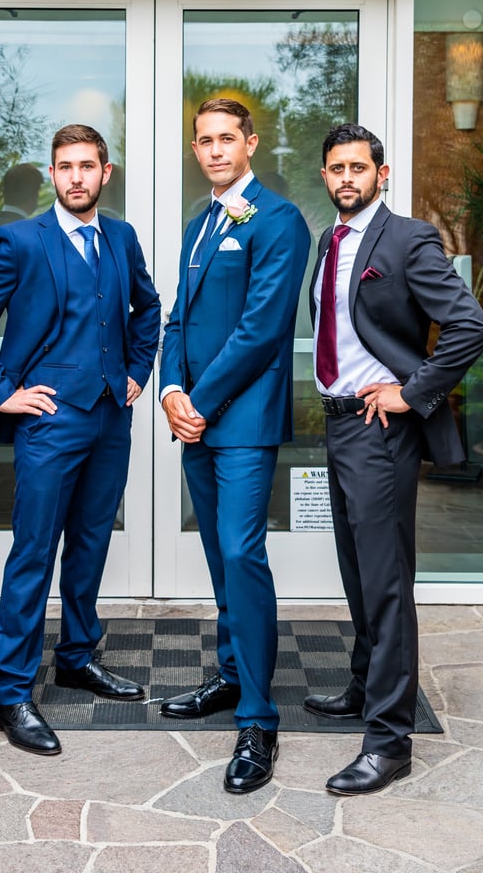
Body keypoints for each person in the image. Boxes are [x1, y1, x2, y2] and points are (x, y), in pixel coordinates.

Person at [305, 122, 483, 795]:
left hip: (381, 430)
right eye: (337, 168)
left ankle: (389, 741)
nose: (347, 178)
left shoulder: (407, 238)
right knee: (358, 574)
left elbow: (470, 326)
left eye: (358, 167)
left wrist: (411, 393)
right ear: (325, 177)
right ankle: (364, 688)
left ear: (381, 175)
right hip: (340, 426)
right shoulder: (328, 241)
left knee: (386, 584)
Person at [0, 123, 160, 756]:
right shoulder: (22, 240)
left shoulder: (121, 236)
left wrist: (137, 372)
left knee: (90, 543)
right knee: (34, 550)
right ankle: (12, 692)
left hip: (110, 417)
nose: (76, 177)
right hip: (49, 420)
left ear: (106, 173)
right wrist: (3, 392)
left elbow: (147, 308)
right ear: (52, 174)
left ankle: (77, 657)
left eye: (87, 166)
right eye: (65, 166)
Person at [159, 98, 310, 795]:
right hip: (194, 417)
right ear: (196, 149)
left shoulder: (278, 219)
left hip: (242, 420)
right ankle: (231, 676)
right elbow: (177, 320)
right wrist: (170, 390)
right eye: (205, 140)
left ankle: (258, 718)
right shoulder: (200, 224)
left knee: (243, 555)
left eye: (227, 138)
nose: (216, 150)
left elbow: (262, 328)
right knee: (221, 557)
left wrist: (200, 401)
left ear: (251, 143)